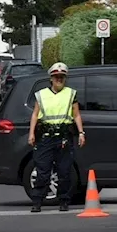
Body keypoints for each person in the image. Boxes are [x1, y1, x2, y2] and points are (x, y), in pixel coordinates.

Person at [27, 62, 86, 212]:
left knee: (64, 171)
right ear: (51, 79)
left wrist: (81, 133)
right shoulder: (41, 94)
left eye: (62, 77)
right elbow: (35, 114)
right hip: (46, 137)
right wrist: (31, 133)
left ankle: (64, 201)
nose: (59, 79)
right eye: (56, 77)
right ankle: (37, 202)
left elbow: (76, 115)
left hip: (64, 137)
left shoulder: (71, 94)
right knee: (42, 171)